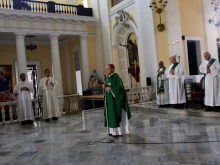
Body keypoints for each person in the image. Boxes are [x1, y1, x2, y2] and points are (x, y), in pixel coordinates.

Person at [103, 64, 132, 137]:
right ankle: (111, 131)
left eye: (108, 68)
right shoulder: (107, 78)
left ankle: (118, 132)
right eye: (106, 69)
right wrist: (104, 87)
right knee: (110, 115)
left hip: (115, 101)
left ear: (113, 69)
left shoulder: (116, 77)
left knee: (116, 115)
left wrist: (111, 89)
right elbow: (107, 88)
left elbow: (120, 88)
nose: (106, 70)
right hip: (109, 101)